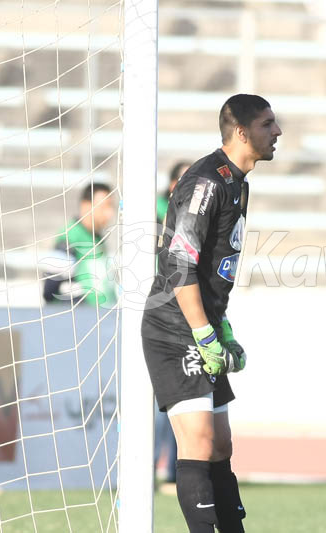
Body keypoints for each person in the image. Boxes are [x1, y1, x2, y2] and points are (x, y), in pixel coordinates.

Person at [141, 94, 281, 533]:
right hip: (173, 326)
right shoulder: (205, 182)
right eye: (267, 124)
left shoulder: (238, 181)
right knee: (198, 441)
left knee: (221, 445)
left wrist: (221, 326)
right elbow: (179, 267)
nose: (276, 133)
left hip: (202, 322)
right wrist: (203, 333)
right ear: (241, 132)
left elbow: (211, 271)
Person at [154, 160, 192, 486]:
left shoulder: (195, 217)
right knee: (158, 401)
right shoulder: (156, 216)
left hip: (186, 317)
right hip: (160, 316)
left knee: (180, 397)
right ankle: (151, 468)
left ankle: (170, 471)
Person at [42, 182, 117, 306]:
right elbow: (50, 290)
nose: (110, 214)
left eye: (111, 207)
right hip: (83, 320)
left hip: (103, 317)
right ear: (86, 206)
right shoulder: (70, 238)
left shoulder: (97, 238)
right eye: (104, 207)